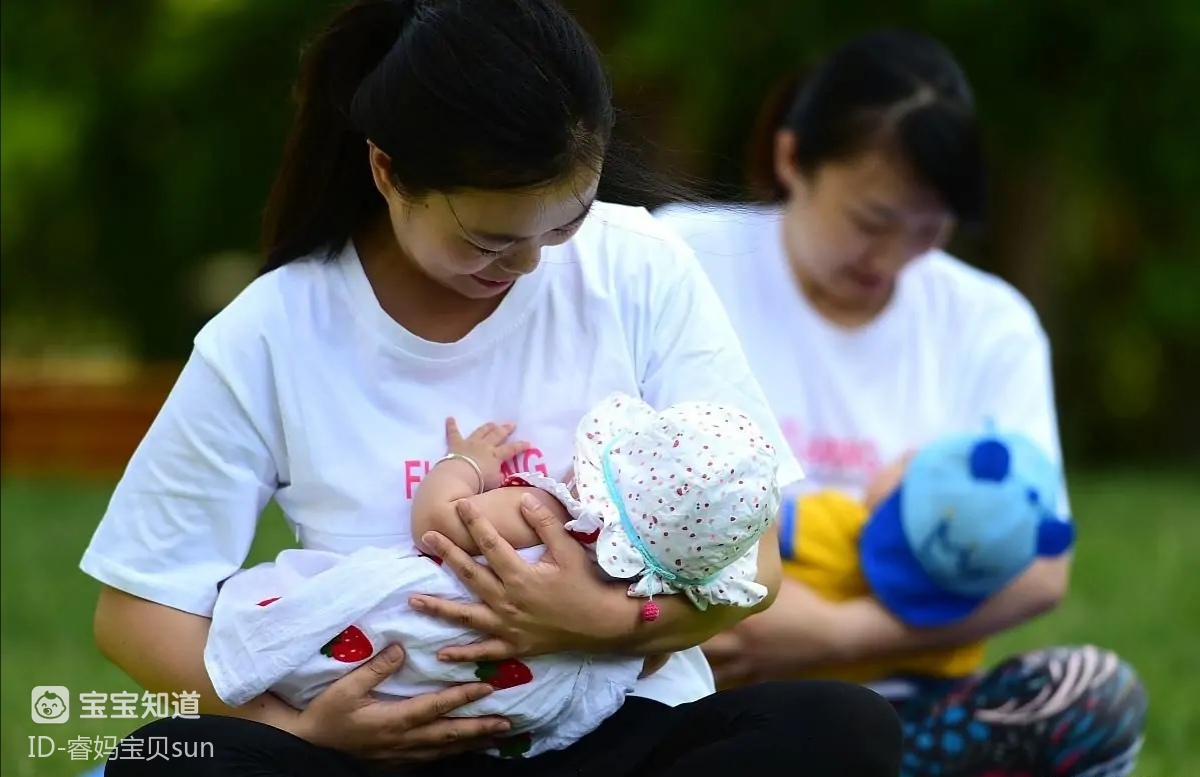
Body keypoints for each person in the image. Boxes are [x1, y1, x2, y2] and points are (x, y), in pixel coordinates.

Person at [79, 2, 903, 775]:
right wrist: (300, 731)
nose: (532, 263)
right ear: (387, 172)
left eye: (566, 221)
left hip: (611, 729)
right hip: (382, 741)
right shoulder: (272, 328)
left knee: (841, 729)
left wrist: (606, 622)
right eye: (490, 239)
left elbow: (756, 565)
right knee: (169, 759)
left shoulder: (640, 267)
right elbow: (138, 612)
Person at [655, 28, 1148, 777]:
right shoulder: (682, 258)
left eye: (928, 231)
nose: (890, 261)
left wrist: (837, 632)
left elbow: (1042, 569)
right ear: (793, 160)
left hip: (903, 702)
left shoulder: (989, 322)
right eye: (872, 223)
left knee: (1092, 695)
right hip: (706, 699)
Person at [202, 394, 782, 760]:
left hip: (396, 652)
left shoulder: (544, 515)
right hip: (499, 714)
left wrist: (465, 465)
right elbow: (646, 660)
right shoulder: (654, 594)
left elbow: (436, 523)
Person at [781, 428, 1077, 661]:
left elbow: (759, 519)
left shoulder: (830, 523)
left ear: (897, 487)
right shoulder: (952, 651)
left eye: (905, 461)